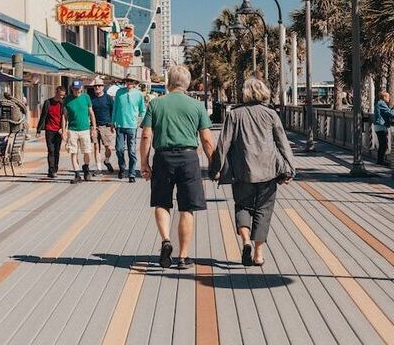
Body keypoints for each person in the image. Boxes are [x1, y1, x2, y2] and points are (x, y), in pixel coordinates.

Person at [211, 77, 295, 267]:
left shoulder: (235, 114)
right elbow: (282, 143)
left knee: (242, 206)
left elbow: (223, 143)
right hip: (268, 170)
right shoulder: (271, 114)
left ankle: (246, 242)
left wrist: (216, 168)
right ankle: (258, 253)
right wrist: (290, 169)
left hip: (242, 170)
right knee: (264, 210)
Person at [140, 65, 215, 270]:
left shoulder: (156, 104)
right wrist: (215, 164)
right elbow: (207, 140)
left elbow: (147, 135)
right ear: (188, 83)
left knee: (162, 202)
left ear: (168, 82)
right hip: (189, 158)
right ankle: (183, 256)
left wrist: (144, 162)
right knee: (186, 207)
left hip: (163, 158)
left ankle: (166, 240)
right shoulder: (197, 106)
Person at [113, 75, 146, 182]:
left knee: (131, 151)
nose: (129, 82)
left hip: (132, 126)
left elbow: (143, 110)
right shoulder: (119, 92)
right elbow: (115, 107)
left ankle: (131, 174)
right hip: (120, 125)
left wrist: (144, 123)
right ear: (125, 82)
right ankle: (122, 168)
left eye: (131, 81)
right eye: (127, 81)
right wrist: (112, 121)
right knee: (119, 149)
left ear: (135, 82)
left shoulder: (139, 94)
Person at [63, 80, 97, 182]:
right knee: (73, 152)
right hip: (72, 130)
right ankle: (77, 174)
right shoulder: (67, 99)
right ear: (72, 89)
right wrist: (64, 130)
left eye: (78, 89)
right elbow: (64, 116)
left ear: (81, 88)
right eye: (75, 89)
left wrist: (94, 127)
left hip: (85, 129)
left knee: (87, 152)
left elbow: (91, 113)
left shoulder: (86, 97)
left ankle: (86, 167)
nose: (77, 91)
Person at [37, 86, 66, 178]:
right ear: (56, 93)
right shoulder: (48, 102)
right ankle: (51, 170)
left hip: (59, 130)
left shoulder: (63, 104)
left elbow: (65, 117)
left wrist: (64, 129)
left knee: (57, 151)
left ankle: (55, 169)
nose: (61, 97)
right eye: (60, 95)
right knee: (51, 150)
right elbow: (43, 116)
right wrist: (38, 130)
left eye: (63, 95)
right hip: (49, 129)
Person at [90, 77, 115, 173]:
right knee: (96, 147)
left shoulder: (108, 98)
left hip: (106, 126)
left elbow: (113, 111)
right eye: (95, 86)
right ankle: (98, 168)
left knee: (108, 147)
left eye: (99, 86)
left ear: (103, 87)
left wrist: (113, 124)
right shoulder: (91, 98)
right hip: (94, 126)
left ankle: (107, 160)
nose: (97, 87)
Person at [373, 91, 394, 166]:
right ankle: (380, 161)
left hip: (380, 126)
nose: (389, 98)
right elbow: (391, 113)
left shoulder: (379, 103)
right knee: (383, 144)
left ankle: (380, 160)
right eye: (388, 97)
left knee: (383, 144)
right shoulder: (381, 104)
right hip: (381, 126)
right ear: (384, 97)